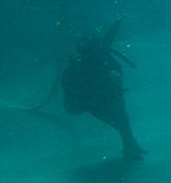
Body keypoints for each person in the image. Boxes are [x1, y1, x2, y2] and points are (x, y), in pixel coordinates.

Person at [60, 20, 146, 160]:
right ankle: (130, 145)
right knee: (121, 121)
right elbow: (72, 104)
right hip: (90, 100)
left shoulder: (101, 57)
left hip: (103, 97)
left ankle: (130, 145)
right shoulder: (76, 69)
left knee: (121, 121)